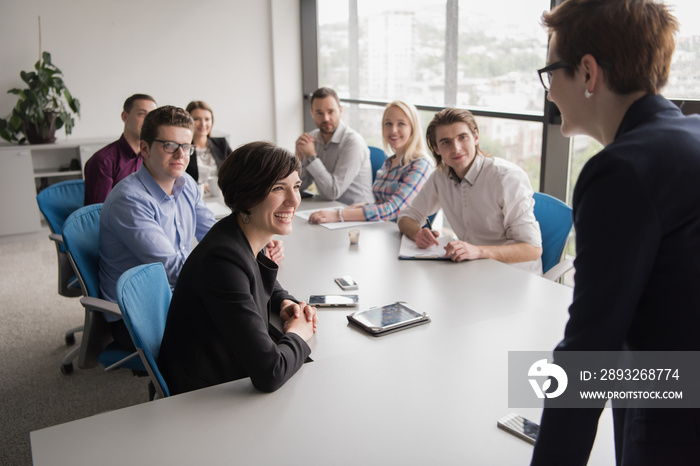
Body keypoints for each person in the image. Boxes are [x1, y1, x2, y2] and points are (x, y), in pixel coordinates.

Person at [531, 1, 700, 465]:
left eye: (550, 75)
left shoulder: (621, 170)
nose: (548, 94)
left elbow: (589, 352)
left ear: (588, 72)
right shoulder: (690, 137)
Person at [158, 141, 317, 395]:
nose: (293, 200)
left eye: (296, 186)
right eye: (278, 188)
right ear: (247, 195)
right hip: (206, 395)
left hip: (230, 368)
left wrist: (284, 301)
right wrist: (298, 334)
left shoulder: (242, 231)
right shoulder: (222, 260)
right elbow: (270, 372)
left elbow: (257, 277)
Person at [98, 106, 215, 350]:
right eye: (169, 145)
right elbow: (172, 269)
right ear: (145, 148)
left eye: (186, 146)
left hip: (176, 293)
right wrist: (232, 272)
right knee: (231, 332)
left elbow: (213, 234)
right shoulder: (129, 200)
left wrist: (254, 246)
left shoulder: (187, 183)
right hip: (140, 313)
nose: (180, 155)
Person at [397, 108, 542, 273]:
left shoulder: (506, 178)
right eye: (446, 142)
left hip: (515, 275)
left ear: (475, 137)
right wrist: (417, 234)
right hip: (472, 271)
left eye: (462, 138)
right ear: (436, 149)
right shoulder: (440, 177)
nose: (456, 148)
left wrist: (477, 251)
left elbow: (533, 249)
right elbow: (406, 217)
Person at [309, 100, 431, 223]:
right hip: (380, 230)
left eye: (401, 124)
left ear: (413, 128)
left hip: (404, 236)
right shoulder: (389, 162)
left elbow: (394, 210)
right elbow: (380, 202)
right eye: (388, 124)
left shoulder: (421, 165)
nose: (393, 130)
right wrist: (365, 206)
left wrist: (339, 215)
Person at [296, 87, 374, 205]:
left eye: (331, 111)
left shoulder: (353, 143)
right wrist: (298, 157)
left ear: (340, 110)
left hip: (357, 213)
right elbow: (298, 188)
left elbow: (333, 192)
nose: (326, 118)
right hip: (328, 208)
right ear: (312, 113)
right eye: (319, 113)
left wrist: (311, 157)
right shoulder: (312, 138)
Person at [83, 94, 157, 205]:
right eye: (142, 114)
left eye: (152, 116)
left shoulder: (154, 156)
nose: (148, 121)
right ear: (124, 116)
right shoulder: (103, 161)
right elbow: (99, 211)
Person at [184, 100, 233, 185]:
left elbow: (237, 169)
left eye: (207, 119)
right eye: (197, 119)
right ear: (188, 121)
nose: (203, 124)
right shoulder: (183, 148)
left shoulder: (222, 144)